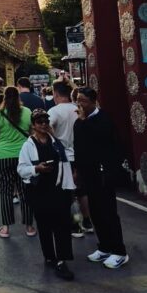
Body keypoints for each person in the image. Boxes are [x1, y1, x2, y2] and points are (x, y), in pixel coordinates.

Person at [73, 87, 129, 269]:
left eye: (83, 101)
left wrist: (83, 122)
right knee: (95, 211)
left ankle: (119, 251)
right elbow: (79, 147)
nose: (80, 104)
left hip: (104, 172)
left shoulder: (103, 120)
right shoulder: (80, 122)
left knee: (108, 211)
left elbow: (100, 142)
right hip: (88, 173)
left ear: (94, 102)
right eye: (78, 100)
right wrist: (77, 171)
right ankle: (104, 246)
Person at [18, 109, 76, 280]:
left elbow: (65, 164)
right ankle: (50, 256)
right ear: (33, 125)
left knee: (62, 225)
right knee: (44, 226)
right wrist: (36, 168)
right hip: (39, 191)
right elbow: (21, 169)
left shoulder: (56, 143)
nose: (43, 124)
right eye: (39, 122)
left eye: (45, 121)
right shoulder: (28, 145)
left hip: (58, 189)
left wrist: (70, 187)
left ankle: (62, 260)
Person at [0, 85, 34, 238]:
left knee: (6, 191)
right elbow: (32, 132)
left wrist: (0, 139)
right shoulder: (27, 112)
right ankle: (29, 226)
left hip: (3, 156)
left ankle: (6, 227)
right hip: (23, 155)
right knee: (25, 190)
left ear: (4, 97)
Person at [48, 79, 92, 237]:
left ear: (56, 94)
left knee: (68, 192)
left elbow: (48, 127)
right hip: (80, 155)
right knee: (82, 191)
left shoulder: (54, 111)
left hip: (64, 157)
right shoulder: (78, 109)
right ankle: (87, 221)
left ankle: (76, 224)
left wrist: (54, 138)